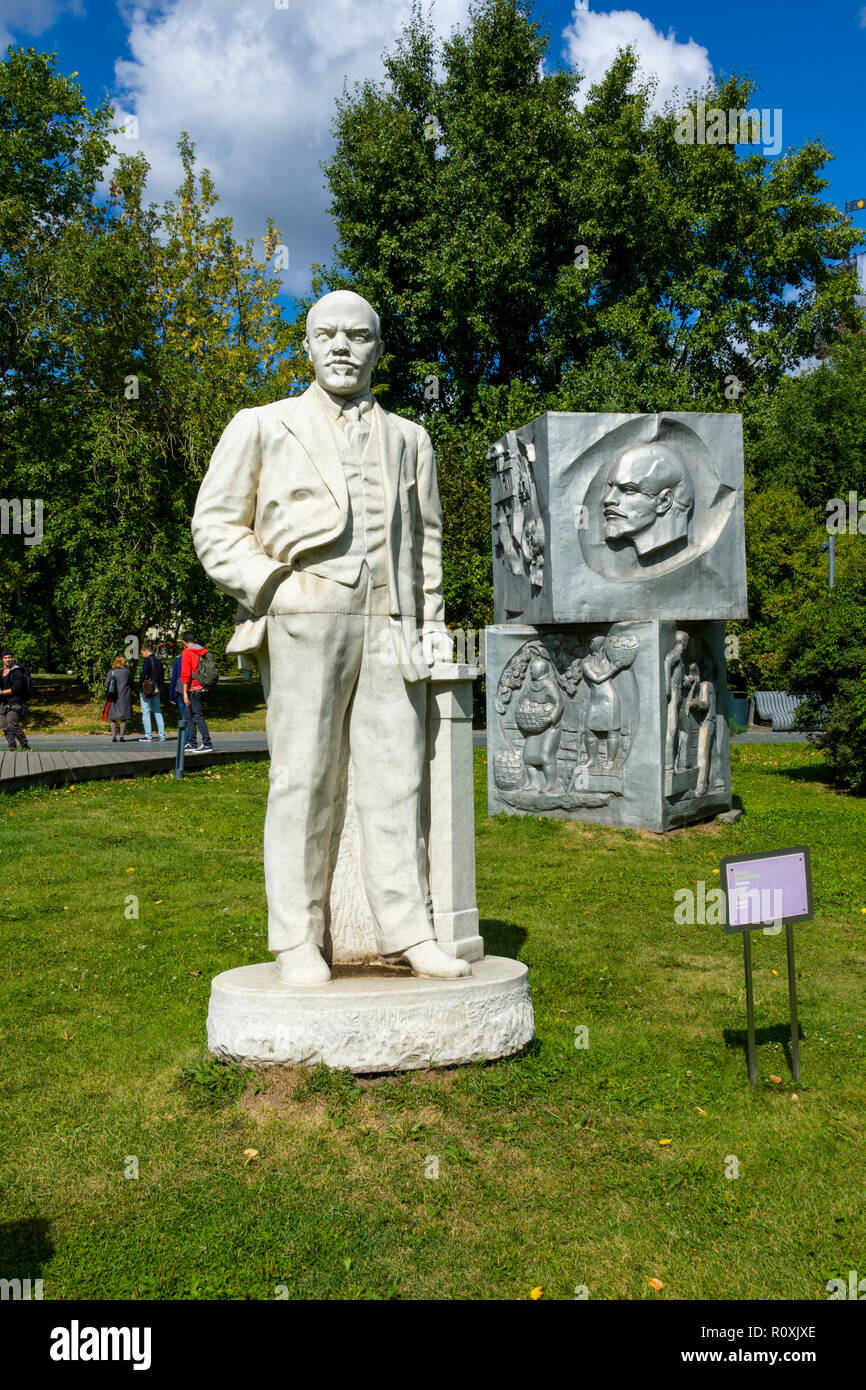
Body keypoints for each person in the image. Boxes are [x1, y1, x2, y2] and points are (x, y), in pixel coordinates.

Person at [192, 288, 468, 985]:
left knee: (396, 778)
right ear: (308, 346)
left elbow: (428, 541)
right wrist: (276, 589)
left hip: (390, 622)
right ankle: (295, 938)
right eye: (328, 335)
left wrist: (430, 623)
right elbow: (215, 526)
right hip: (304, 618)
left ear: (378, 347)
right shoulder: (262, 425)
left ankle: (408, 932)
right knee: (302, 777)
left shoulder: (411, 439)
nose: (343, 347)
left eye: (359, 335)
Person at [180, 632, 213, 753]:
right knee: (188, 715)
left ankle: (207, 744)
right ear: (195, 639)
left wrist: (184, 693)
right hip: (203, 686)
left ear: (184, 642)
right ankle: (192, 743)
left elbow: (185, 674)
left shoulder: (187, 652)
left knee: (197, 716)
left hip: (194, 688)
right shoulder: (203, 651)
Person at [0, 648, 31, 751]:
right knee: (4, 727)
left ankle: (25, 745)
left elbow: (16, 688)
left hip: (15, 703)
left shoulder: (17, 671)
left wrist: (2, 692)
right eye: (5, 658)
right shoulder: (1, 671)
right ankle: (12, 747)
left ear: (12, 659)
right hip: (3, 704)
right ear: (2, 659)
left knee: (12, 724)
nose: (8, 659)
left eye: (9, 657)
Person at [137, 643, 167, 742]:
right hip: (156, 689)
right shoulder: (158, 661)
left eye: (142, 653)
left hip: (147, 689)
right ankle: (162, 735)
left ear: (146, 651)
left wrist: (140, 686)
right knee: (158, 711)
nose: (142, 655)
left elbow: (143, 675)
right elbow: (162, 675)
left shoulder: (147, 661)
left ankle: (148, 735)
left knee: (146, 712)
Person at [105, 655, 133, 741]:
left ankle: (113, 737)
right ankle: (122, 737)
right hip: (124, 696)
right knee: (123, 718)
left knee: (113, 718)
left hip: (113, 696)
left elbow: (106, 684)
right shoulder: (127, 672)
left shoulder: (111, 672)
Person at [169, 650, 193, 746]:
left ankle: (185, 740)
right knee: (190, 716)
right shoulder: (193, 659)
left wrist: (172, 695)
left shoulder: (178, 660)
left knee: (184, 715)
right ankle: (189, 739)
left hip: (179, 689)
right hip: (191, 689)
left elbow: (174, 677)